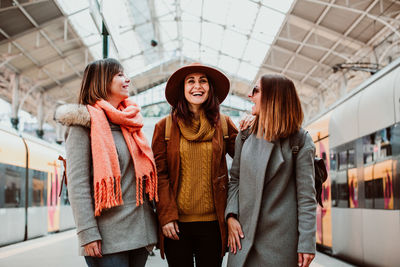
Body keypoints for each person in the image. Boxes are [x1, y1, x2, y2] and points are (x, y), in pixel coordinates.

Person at [55, 58, 158, 267]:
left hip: (141, 234)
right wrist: (87, 233)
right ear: (102, 81)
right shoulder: (82, 126)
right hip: (107, 239)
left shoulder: (130, 124)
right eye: (120, 75)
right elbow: (78, 184)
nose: (127, 79)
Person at [225, 74, 317, 267]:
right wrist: (231, 216)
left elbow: (306, 196)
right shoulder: (245, 135)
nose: (250, 95)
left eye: (256, 91)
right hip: (243, 239)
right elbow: (235, 180)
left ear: (273, 97)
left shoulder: (300, 140)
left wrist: (307, 243)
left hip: (280, 244)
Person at [151, 63, 238, 267]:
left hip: (214, 225)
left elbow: (248, 162)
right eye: (191, 81)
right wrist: (166, 216)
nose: (197, 86)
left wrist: (255, 125)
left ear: (210, 88)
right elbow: (160, 176)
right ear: (182, 89)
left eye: (203, 81)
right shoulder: (164, 127)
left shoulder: (224, 124)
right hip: (176, 225)